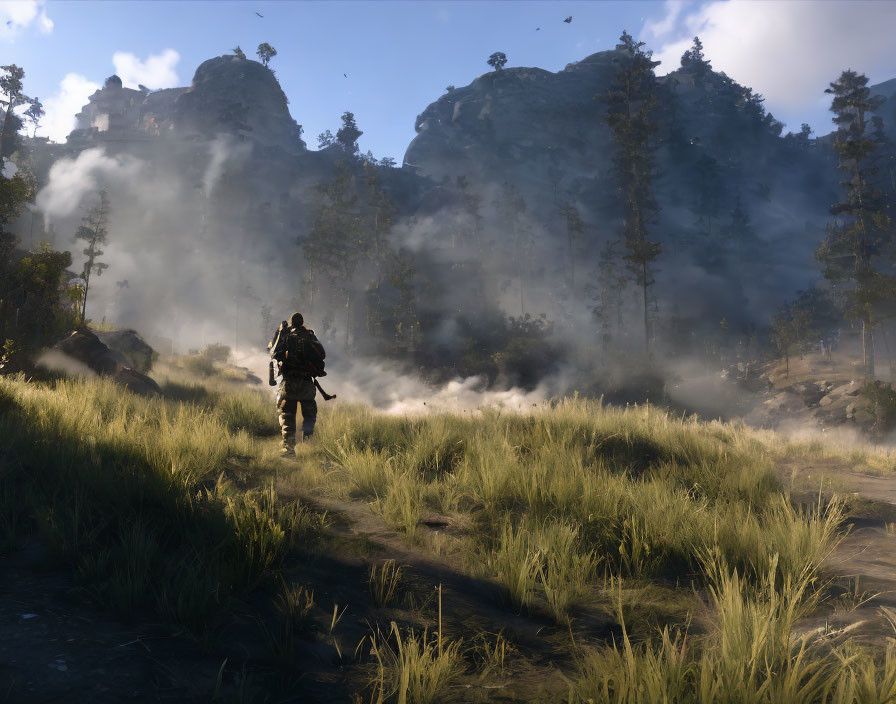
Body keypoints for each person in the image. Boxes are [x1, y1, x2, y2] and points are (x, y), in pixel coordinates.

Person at [269, 312, 326, 456]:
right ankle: (309, 446)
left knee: (288, 414)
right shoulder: (310, 336)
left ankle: (289, 448)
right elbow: (322, 355)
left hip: (290, 382)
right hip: (307, 382)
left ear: (291, 322)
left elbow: (274, 352)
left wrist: (280, 331)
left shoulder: (286, 335)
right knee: (309, 413)